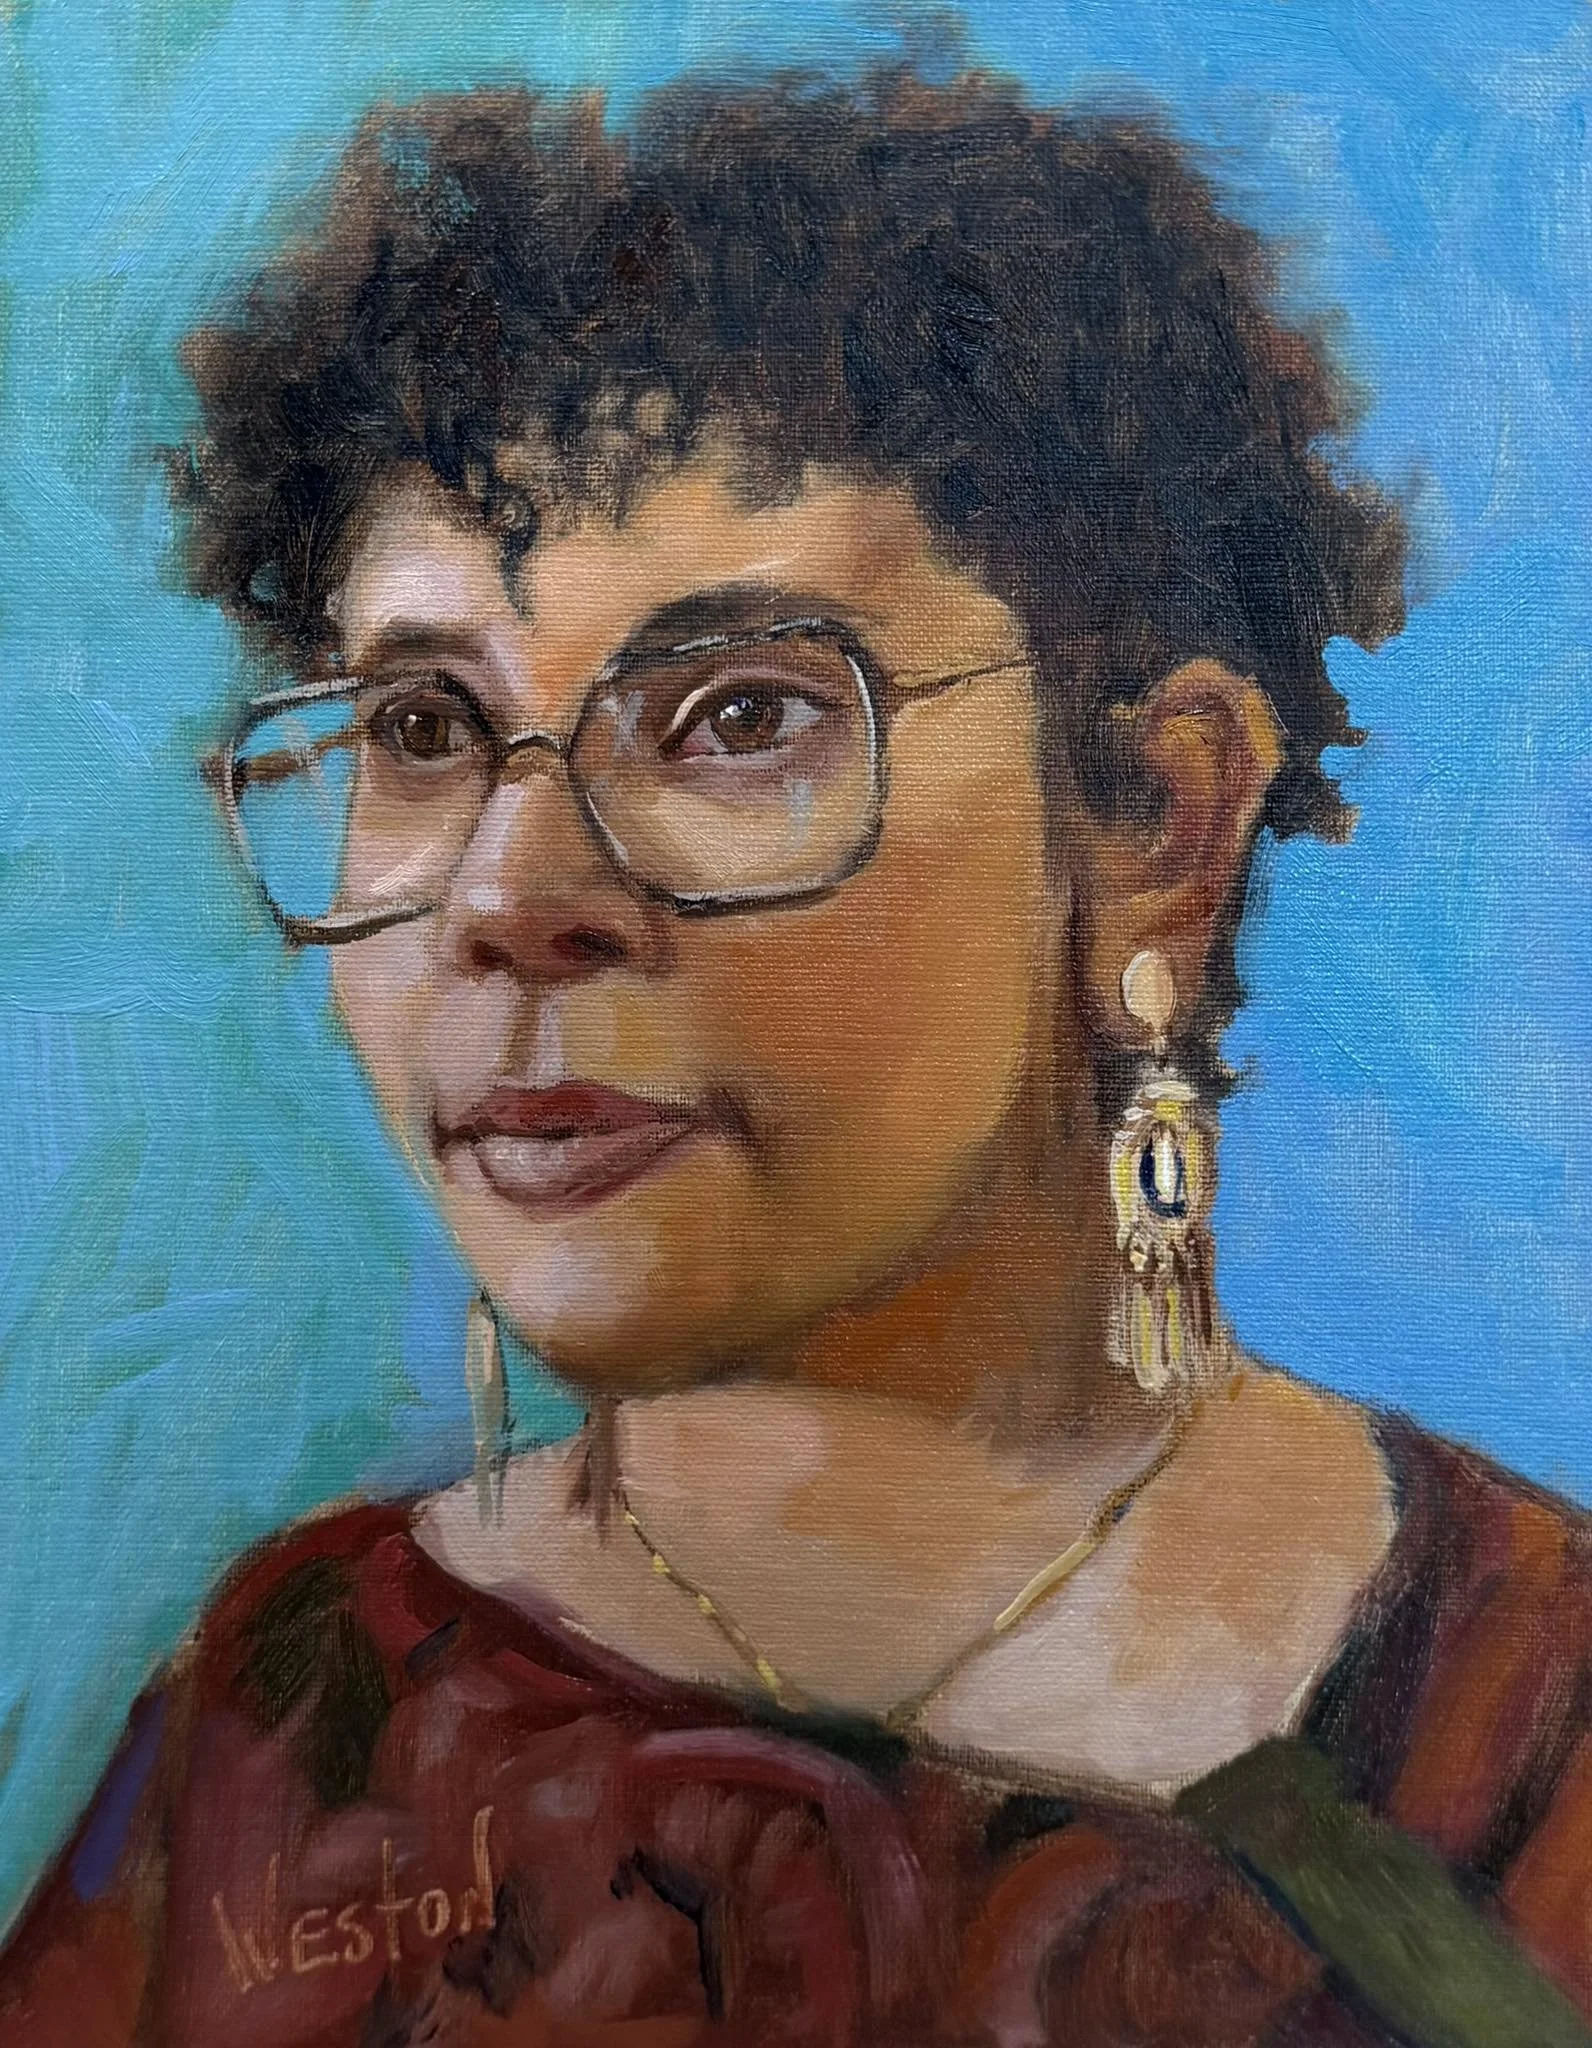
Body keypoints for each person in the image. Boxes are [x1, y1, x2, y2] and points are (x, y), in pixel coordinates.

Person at [2, 61, 1590, 2048]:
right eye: (421, 730)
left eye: (741, 716)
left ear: (1156, 818)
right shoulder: (279, 1737)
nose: (508, 894)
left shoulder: (1527, 1735)